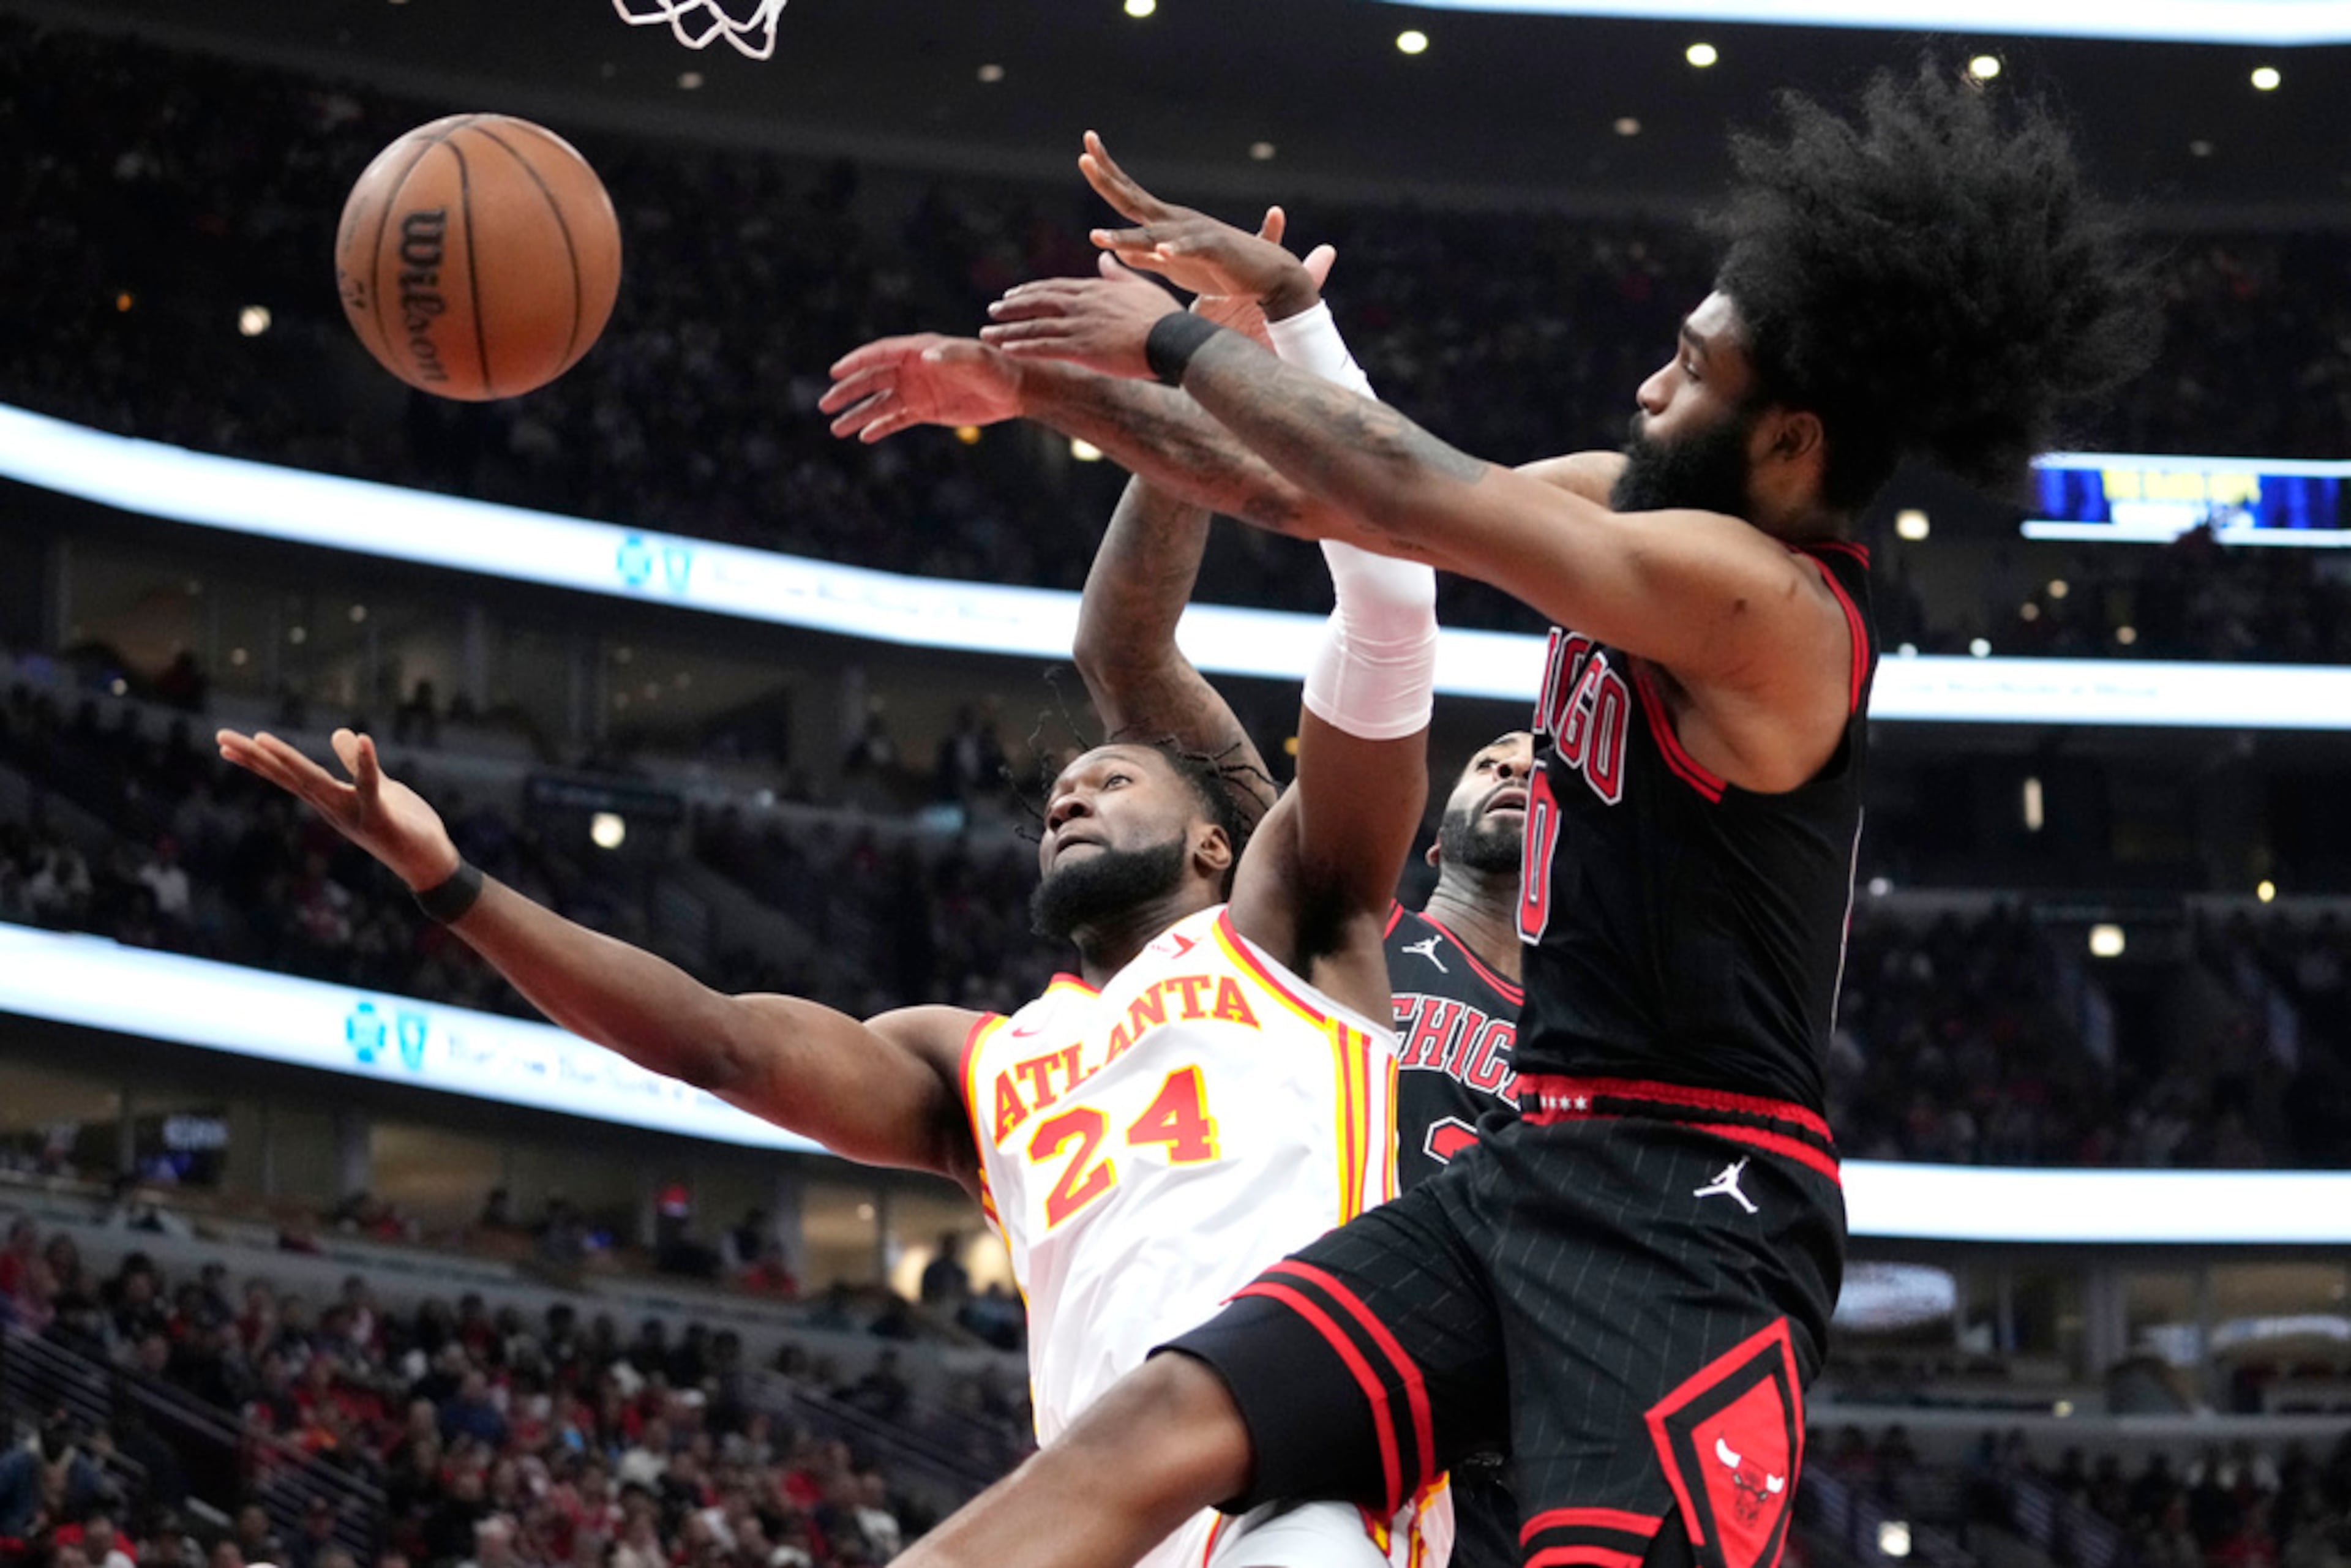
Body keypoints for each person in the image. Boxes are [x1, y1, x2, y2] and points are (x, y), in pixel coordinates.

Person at [825, 64, 2152, 1568]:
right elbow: (1317, 493)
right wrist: (1041, 387)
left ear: (1790, 441)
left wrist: (1187, 339)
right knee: (1160, 1422)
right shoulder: (1637, 507)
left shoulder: (1768, 613)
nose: (1653, 386)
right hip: (1539, 1158)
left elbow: (1410, 496)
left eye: (1694, 370)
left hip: (1691, 1215)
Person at [215, 306, 1447, 1566]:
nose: (1069, 793)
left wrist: (1229, 357)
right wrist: (449, 878)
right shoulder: (981, 1064)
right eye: (1063, 790)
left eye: (1114, 779)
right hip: (1098, 1527)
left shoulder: (1292, 925)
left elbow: (1384, 624)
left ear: (1214, 844)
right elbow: (720, 1047)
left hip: (1310, 1490)